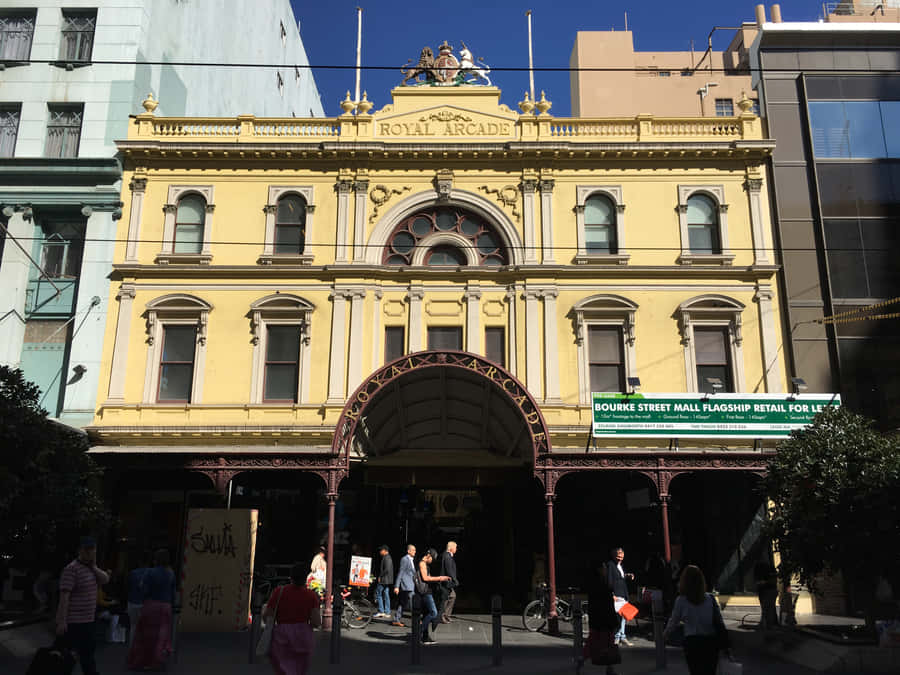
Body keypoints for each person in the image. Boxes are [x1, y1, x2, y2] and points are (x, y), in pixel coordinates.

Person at [664, 565, 732, 675]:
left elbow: (674, 621)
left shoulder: (681, 600)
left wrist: (665, 634)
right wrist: (726, 645)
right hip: (710, 642)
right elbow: (719, 622)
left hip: (692, 643)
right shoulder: (710, 599)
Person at [56, 536, 110, 675]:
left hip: (89, 621)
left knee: (88, 656)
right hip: (74, 621)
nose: (90, 552)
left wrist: (94, 567)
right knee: (69, 657)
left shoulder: (92, 568)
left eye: (92, 549)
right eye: (86, 550)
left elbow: (105, 579)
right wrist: (62, 621)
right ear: (80, 551)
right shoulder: (71, 569)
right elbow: (64, 597)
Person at [262, 562, 321, 675]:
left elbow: (268, 616)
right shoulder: (311, 596)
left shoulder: (279, 592)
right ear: (305, 579)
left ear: (291, 577)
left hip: (281, 635)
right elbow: (316, 622)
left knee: (282, 669)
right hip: (303, 636)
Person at [127, 548, 176, 670]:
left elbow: (143, 589)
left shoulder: (150, 572)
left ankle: (143, 660)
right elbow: (173, 592)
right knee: (162, 634)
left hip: (151, 605)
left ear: (156, 560)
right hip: (166, 606)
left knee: (146, 634)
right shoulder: (171, 573)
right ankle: (158, 660)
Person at [585, 564, 622, 675]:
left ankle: (609, 669)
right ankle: (582, 660)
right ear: (600, 570)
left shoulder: (593, 585)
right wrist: (614, 622)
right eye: (604, 568)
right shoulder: (603, 585)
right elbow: (607, 606)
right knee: (606, 644)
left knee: (595, 642)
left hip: (597, 620)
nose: (606, 569)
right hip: (605, 620)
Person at [417, 548, 451, 644]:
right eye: (432, 558)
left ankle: (425, 637)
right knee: (433, 613)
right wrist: (440, 578)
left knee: (426, 614)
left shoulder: (424, 564)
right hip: (425, 592)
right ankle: (418, 631)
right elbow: (425, 578)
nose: (432, 561)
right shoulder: (422, 564)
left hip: (426, 591)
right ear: (429, 556)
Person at [606, 547, 634, 646]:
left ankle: (622, 636)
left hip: (623, 593)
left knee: (624, 616)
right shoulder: (611, 565)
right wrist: (612, 594)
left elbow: (620, 577)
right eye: (618, 555)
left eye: (621, 555)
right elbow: (610, 581)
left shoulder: (620, 566)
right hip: (617, 594)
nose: (620, 557)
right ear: (614, 555)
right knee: (617, 617)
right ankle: (617, 637)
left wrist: (627, 575)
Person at [126, 553, 152, 647]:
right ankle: (142, 650)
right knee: (145, 627)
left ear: (139, 562)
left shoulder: (132, 573)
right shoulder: (151, 573)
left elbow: (128, 587)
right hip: (145, 603)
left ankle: (132, 648)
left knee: (133, 626)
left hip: (132, 602)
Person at [392, 544, 416, 627]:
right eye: (413, 550)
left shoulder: (411, 560)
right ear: (408, 551)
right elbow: (401, 572)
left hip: (410, 585)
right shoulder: (405, 559)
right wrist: (396, 586)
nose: (414, 552)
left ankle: (396, 619)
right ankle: (415, 620)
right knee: (412, 603)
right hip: (407, 585)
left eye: (415, 550)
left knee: (403, 603)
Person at [753, 560, 778, 630]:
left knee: (767, 609)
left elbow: (761, 582)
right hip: (770, 591)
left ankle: (768, 625)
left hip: (767, 591)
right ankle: (767, 624)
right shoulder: (771, 568)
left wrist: (762, 583)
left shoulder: (760, 568)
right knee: (769, 609)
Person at [439, 541, 459, 623]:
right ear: (451, 548)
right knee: (447, 598)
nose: (456, 549)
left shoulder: (448, 555)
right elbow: (449, 570)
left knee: (452, 597)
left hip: (448, 581)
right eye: (455, 547)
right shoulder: (447, 556)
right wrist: (454, 580)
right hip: (447, 581)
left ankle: (446, 615)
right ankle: (443, 616)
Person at [374, 545, 394, 619]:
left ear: (385, 550)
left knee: (378, 593)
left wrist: (380, 576)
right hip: (387, 580)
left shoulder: (387, 557)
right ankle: (387, 612)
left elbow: (387, 569)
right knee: (386, 594)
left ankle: (381, 611)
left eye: (381, 550)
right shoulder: (387, 557)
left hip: (384, 580)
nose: (380, 552)